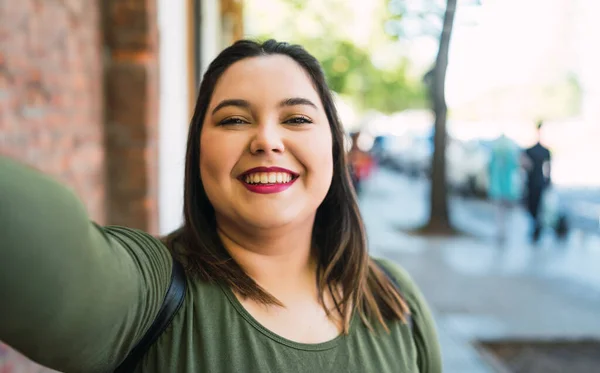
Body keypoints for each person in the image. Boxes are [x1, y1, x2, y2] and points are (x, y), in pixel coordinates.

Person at [0, 40, 441, 373]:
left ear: (333, 145)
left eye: (297, 119)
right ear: (198, 152)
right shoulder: (149, 293)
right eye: (234, 119)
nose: (267, 140)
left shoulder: (395, 298)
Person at [488, 133, 520, 244]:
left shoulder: (495, 153)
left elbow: (490, 169)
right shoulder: (511, 153)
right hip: (508, 189)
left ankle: (501, 232)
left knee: (499, 213)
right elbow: (515, 168)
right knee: (506, 213)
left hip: (498, 188)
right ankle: (504, 232)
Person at [523, 121, 552, 242]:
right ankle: (536, 227)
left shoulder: (539, 151)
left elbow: (548, 168)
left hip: (536, 182)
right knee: (533, 206)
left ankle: (536, 228)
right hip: (534, 182)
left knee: (536, 207)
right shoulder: (532, 150)